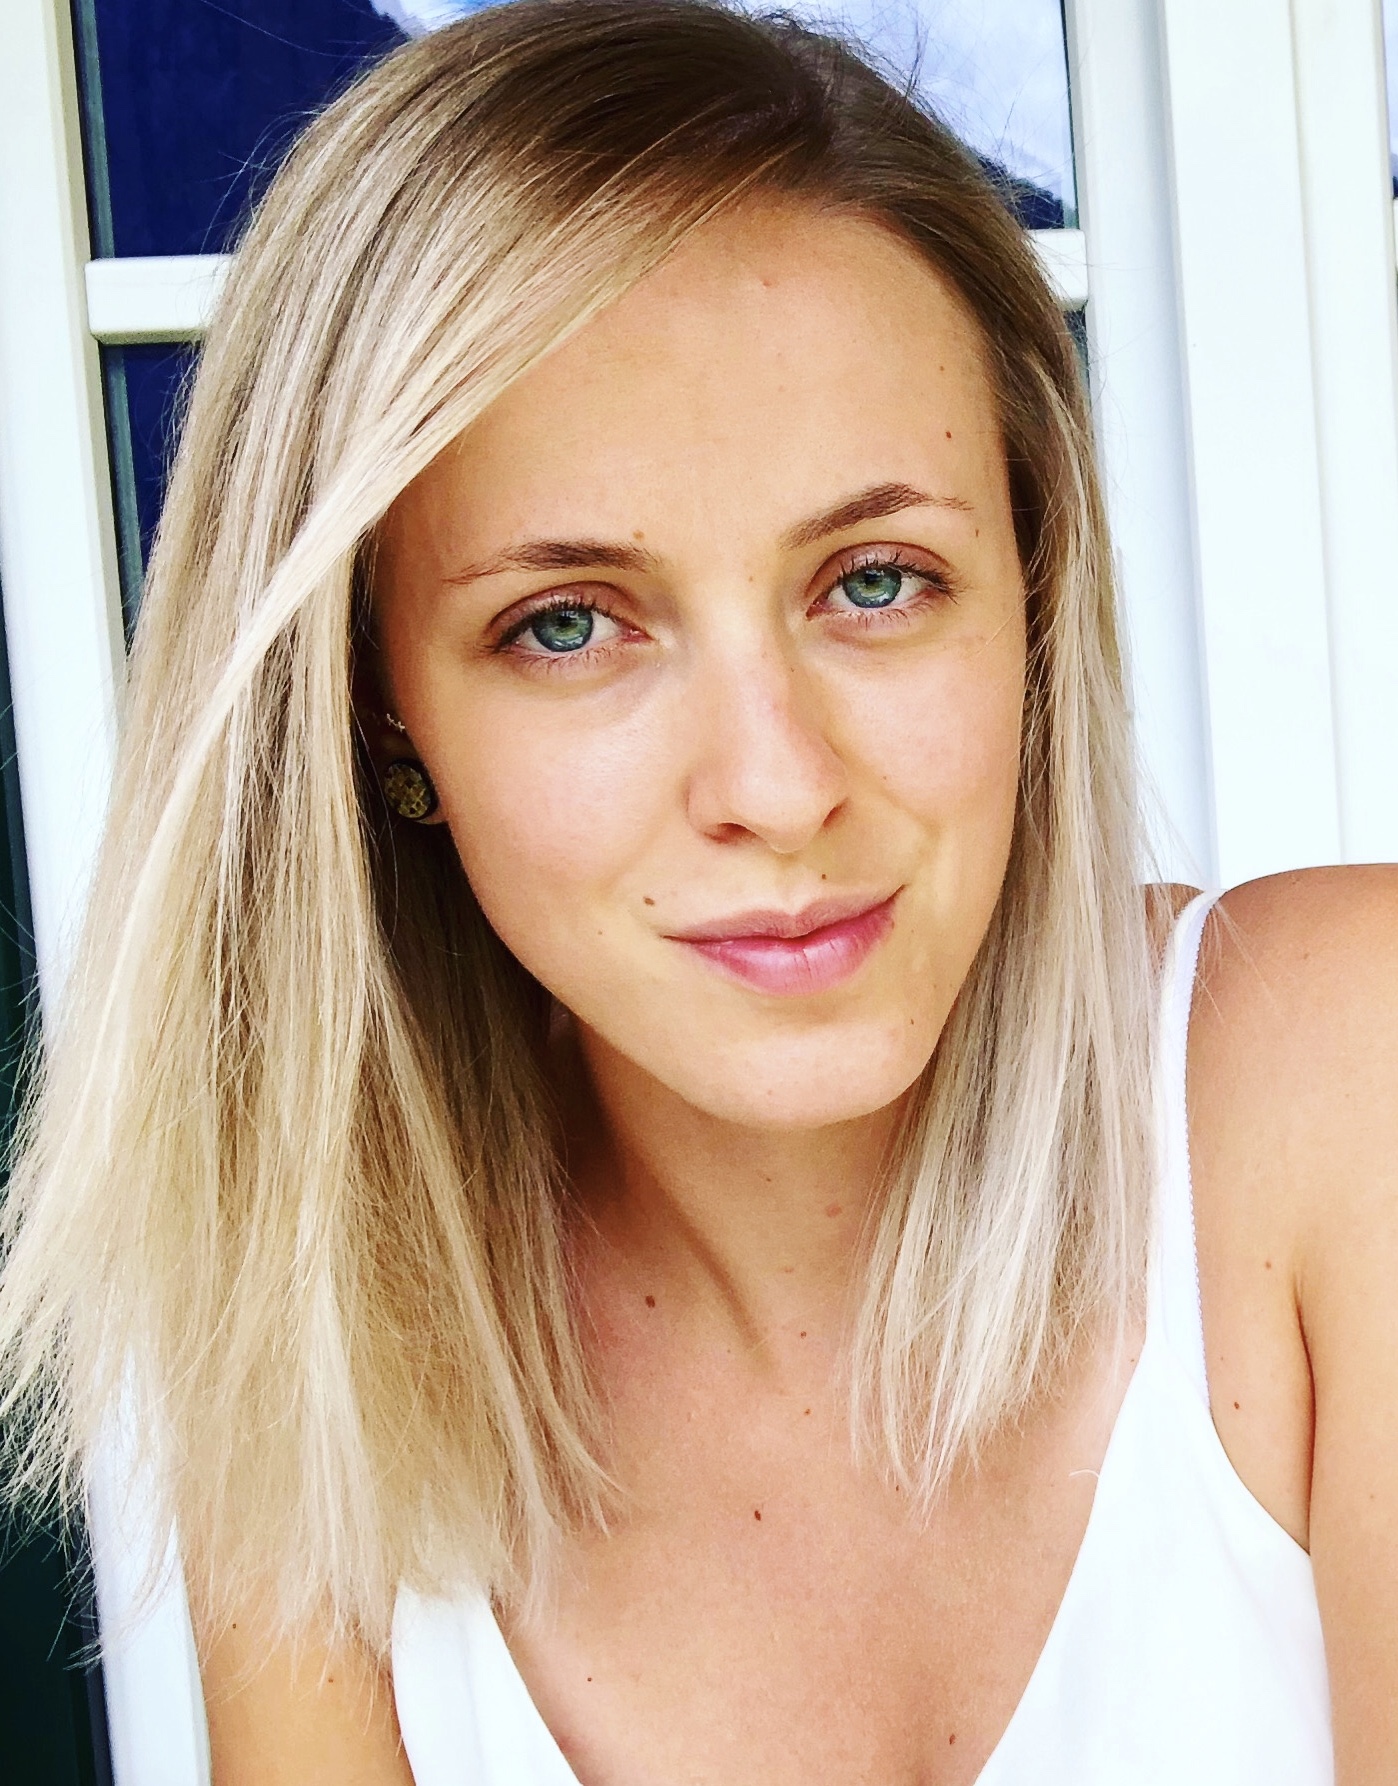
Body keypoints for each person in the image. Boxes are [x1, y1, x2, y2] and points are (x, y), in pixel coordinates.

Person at [1, 2, 1394, 1779]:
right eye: (566, 624)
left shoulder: (1340, 1074)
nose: (776, 784)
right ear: (372, 707)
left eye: (875, 580)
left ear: (1032, 596)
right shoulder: (329, 1345)